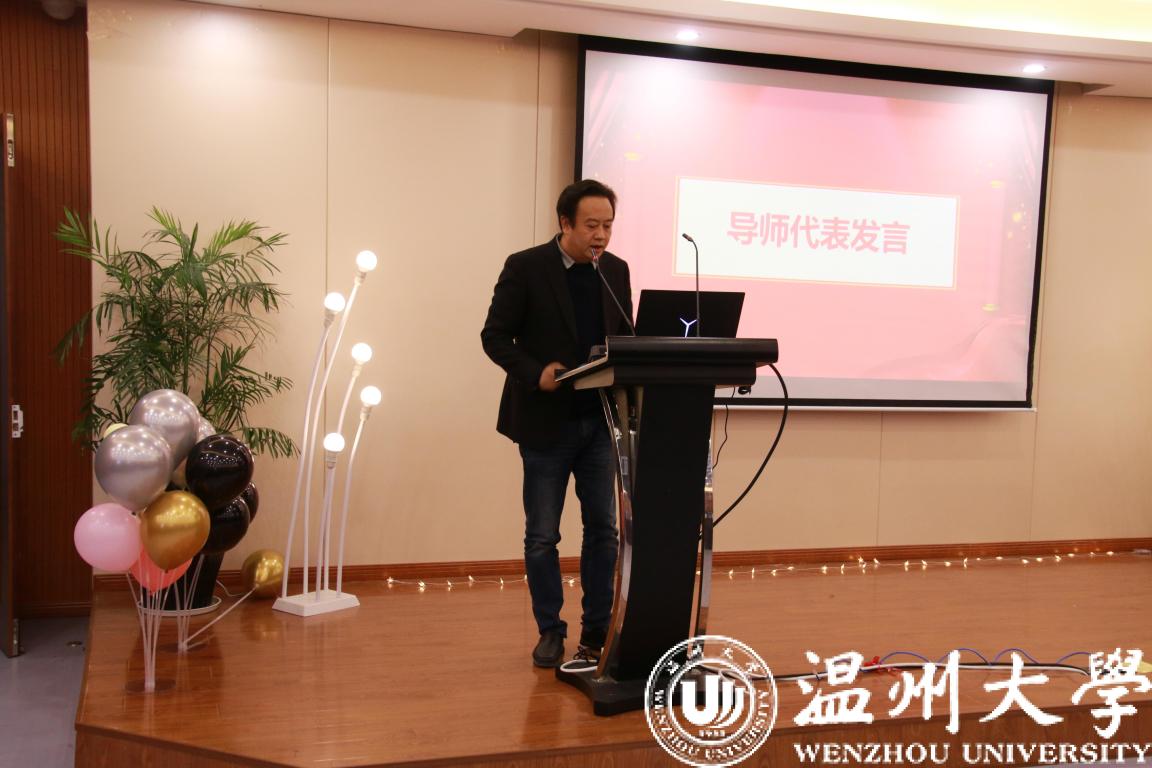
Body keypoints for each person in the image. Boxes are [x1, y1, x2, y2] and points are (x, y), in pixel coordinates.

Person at [481, 179, 633, 668]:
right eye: (591, 225)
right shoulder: (525, 267)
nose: (600, 236)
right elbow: (494, 337)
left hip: (600, 422)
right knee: (543, 535)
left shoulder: (615, 271)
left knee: (604, 531)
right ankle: (550, 629)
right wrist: (535, 372)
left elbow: (625, 339)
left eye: (608, 226)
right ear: (565, 223)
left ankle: (596, 632)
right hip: (545, 423)